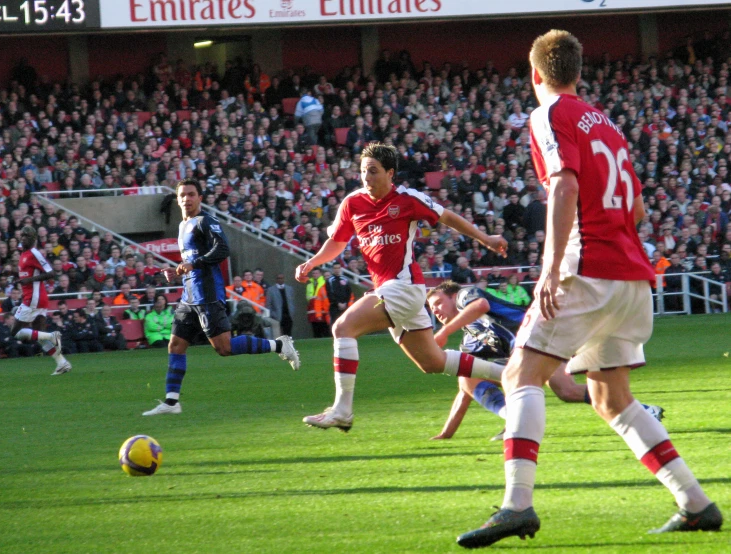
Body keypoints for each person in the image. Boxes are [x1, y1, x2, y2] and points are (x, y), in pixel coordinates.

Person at [456, 31, 722, 549]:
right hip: (632, 274)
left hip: (589, 264)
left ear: (535, 74)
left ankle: (517, 506)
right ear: (579, 72)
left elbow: (564, 184)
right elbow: (639, 210)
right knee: (611, 397)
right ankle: (695, 503)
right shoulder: (608, 125)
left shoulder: (548, 115)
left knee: (520, 373)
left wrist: (552, 267)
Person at [296, 143, 507, 432]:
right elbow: (337, 242)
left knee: (343, 328)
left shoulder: (407, 199)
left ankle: (342, 410)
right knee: (433, 362)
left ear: (390, 173)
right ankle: (510, 374)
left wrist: (485, 238)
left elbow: (447, 216)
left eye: (373, 171)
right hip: (390, 290)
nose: (366, 177)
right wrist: (312, 263)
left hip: (403, 287)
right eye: (362, 172)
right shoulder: (353, 203)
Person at [426, 282, 665, 440]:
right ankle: (512, 417)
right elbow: (465, 392)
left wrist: (445, 331)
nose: (435, 310)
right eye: (431, 308)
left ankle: (643, 412)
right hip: (531, 348)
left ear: (452, 295)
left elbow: (482, 305)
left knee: (566, 389)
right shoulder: (469, 339)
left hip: (539, 333)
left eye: (437, 302)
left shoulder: (465, 295)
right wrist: (447, 433)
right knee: (467, 376)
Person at [143, 178, 300, 416]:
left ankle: (280, 344)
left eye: (191, 194)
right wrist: (177, 271)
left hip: (207, 294)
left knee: (224, 348)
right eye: (182, 195)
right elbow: (192, 261)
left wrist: (192, 264)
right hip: (189, 297)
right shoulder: (182, 226)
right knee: (175, 345)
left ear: (200, 197)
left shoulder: (206, 221)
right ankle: (171, 403)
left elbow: (222, 249)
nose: (187, 198)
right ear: (177, 199)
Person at [11, 226, 71, 375]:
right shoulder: (24, 253)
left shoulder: (34, 253)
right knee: (39, 334)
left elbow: (50, 273)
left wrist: (30, 279)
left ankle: (53, 336)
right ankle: (62, 363)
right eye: (22, 235)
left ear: (33, 239)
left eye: (26, 236)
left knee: (16, 332)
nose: (23, 238)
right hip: (36, 297)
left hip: (33, 298)